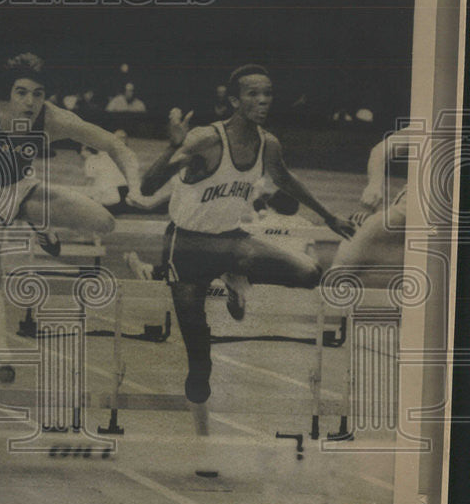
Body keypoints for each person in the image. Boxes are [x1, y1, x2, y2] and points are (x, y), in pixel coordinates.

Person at [139, 64, 355, 471]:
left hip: (231, 240)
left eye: (268, 95)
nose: (262, 102)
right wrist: (172, 148)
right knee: (199, 364)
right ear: (234, 101)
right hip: (186, 246)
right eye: (253, 95)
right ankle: (203, 446)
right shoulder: (206, 139)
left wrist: (329, 218)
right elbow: (148, 187)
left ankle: (237, 274)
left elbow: (285, 180)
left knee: (310, 273)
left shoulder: (267, 144)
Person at [0, 53, 178, 382]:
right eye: (21, 92)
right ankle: (1, 355)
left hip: (21, 188)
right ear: (6, 92)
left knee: (105, 222)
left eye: (38, 93)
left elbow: (116, 146)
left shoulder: (53, 119)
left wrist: (134, 186)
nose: (30, 102)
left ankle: (38, 222)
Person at [329, 125, 417, 281]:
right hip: (415, 205)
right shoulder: (437, 117)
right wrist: (375, 184)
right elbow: (381, 150)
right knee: (340, 273)